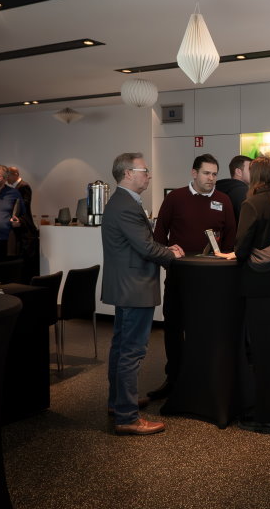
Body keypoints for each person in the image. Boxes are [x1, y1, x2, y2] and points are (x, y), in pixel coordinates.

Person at [217, 157, 270, 434]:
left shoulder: (252, 204)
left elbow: (242, 248)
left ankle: (266, 416)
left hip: (261, 285)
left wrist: (233, 253)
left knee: (263, 350)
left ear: (254, 176)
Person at [101, 152, 182, 435]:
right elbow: (146, 247)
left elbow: (143, 243)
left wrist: (164, 250)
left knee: (122, 347)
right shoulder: (125, 205)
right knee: (132, 351)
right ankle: (127, 416)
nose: (148, 175)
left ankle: (119, 403)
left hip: (127, 285)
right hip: (134, 286)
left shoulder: (123, 202)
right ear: (127, 174)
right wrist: (171, 255)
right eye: (144, 170)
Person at [149, 153, 236, 400]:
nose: (211, 178)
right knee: (174, 326)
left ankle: (204, 379)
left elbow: (231, 236)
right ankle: (173, 377)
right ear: (194, 173)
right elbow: (159, 234)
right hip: (179, 274)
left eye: (214, 174)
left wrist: (224, 264)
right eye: (207, 173)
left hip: (211, 278)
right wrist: (167, 258)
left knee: (206, 328)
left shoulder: (223, 200)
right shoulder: (175, 198)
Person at [6, 166, 39, 280]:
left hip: (25, 226)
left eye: (8, 175)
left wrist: (16, 218)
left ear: (15, 174)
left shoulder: (23, 186)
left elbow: (23, 205)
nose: (7, 178)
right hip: (20, 226)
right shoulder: (15, 188)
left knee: (26, 258)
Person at [216, 155, 252, 222]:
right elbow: (245, 223)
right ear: (238, 172)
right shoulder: (242, 191)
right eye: (250, 169)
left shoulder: (220, 188)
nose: (254, 173)